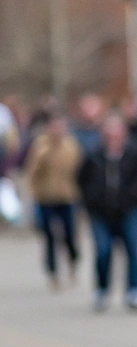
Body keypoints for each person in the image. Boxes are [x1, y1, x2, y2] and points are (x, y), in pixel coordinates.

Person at [76, 112, 137, 311]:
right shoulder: (93, 155)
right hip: (101, 212)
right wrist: (91, 201)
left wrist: (133, 198)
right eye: (109, 133)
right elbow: (82, 181)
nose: (113, 137)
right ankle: (102, 289)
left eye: (117, 132)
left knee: (132, 249)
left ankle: (134, 290)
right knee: (102, 250)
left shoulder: (135, 153)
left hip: (129, 210)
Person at [23, 112, 81, 289]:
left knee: (69, 234)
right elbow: (31, 171)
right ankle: (53, 273)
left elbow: (80, 170)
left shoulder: (71, 146)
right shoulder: (41, 146)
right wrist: (33, 194)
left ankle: (73, 259)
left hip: (67, 196)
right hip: (45, 197)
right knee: (49, 236)